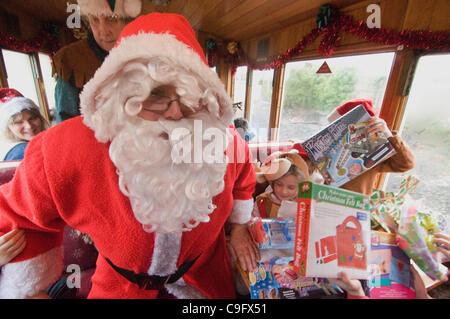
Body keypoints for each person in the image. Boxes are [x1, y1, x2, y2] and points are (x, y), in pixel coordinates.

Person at [0, 12, 255, 299]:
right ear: (122, 97)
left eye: (187, 96)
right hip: (120, 285)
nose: (174, 113)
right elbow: (18, 214)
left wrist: (240, 227)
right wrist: (28, 290)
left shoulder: (221, 138)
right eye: (155, 95)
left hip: (206, 276)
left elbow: (244, 178)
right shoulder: (64, 147)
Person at [52, 0, 142, 123]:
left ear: (126, 20)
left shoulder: (143, 52)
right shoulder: (71, 60)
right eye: (95, 20)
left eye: (111, 18)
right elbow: (66, 125)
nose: (103, 31)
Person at [327, 99, 415, 195]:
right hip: (321, 201)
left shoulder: (375, 149)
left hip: (354, 205)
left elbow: (406, 163)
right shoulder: (327, 144)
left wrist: (387, 134)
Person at [0, 88, 49, 160]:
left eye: (32, 118)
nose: (29, 126)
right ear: (7, 128)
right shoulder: (22, 152)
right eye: (18, 122)